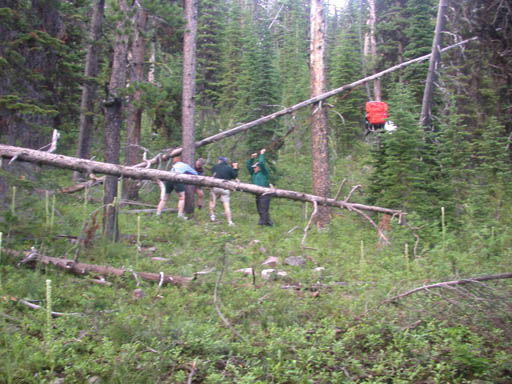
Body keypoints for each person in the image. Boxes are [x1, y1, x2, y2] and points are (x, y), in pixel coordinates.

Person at [246, 148, 273, 226]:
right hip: (257, 193)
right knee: (260, 209)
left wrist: (262, 154)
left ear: (259, 167)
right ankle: (268, 224)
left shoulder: (264, 172)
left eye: (255, 167)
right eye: (254, 167)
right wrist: (252, 158)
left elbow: (261, 163)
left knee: (263, 209)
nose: (254, 168)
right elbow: (248, 166)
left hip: (265, 192)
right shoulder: (253, 173)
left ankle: (263, 224)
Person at [209, 156, 238, 226]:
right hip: (225, 189)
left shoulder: (215, 166)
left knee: (212, 201)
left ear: (220, 161)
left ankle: (212, 215)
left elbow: (212, 171)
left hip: (215, 187)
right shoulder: (229, 168)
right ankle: (230, 222)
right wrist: (235, 167)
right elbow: (234, 176)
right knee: (226, 205)